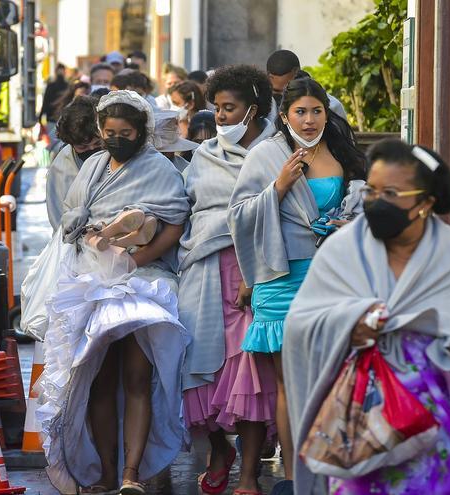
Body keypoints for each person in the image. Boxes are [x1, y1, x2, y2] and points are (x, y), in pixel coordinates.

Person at [283, 139, 450, 495]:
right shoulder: (341, 249)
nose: (375, 201)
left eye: (390, 193)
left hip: (440, 426)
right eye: (371, 190)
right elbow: (300, 323)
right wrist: (347, 324)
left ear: (425, 202)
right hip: (361, 421)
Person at [36, 90, 190, 495]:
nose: (116, 138)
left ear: (141, 133)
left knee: (138, 377)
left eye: (125, 132)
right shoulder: (93, 168)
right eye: (109, 131)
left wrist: (135, 262)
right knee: (99, 380)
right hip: (92, 277)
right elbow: (71, 214)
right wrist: (88, 234)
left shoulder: (160, 168)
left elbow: (174, 221)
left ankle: (131, 473)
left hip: (145, 279)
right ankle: (106, 470)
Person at [228, 77, 367, 482]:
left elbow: (362, 208)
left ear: (327, 111)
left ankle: (330, 470)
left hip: (331, 276)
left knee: (329, 376)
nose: (308, 120)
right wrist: (279, 186)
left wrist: (347, 223)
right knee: (290, 384)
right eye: (300, 112)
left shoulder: (343, 152)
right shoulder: (265, 155)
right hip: (281, 275)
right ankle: (294, 478)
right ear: (285, 115)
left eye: (316, 111)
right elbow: (238, 215)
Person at [179, 65, 279, 495]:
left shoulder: (278, 152)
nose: (219, 117)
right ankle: (220, 451)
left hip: (256, 271)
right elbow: (186, 207)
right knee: (201, 367)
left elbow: (279, 212)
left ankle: (252, 474)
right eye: (216, 108)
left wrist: (254, 273)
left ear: (252, 109)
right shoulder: (203, 155)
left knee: (250, 373)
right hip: (204, 271)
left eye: (229, 108)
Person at [46, 95, 102, 230]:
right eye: (83, 147)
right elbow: (59, 219)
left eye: (97, 144)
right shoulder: (61, 167)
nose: (92, 150)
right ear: (70, 144)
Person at [266, 50, 346, 120]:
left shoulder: (332, 107)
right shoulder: (264, 110)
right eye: (276, 91)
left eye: (287, 90)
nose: (283, 98)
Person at [39, 64, 70, 150]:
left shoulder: (51, 85)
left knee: (53, 143)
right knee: (62, 142)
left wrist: (41, 117)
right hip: (63, 119)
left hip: (52, 119)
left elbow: (45, 102)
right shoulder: (67, 86)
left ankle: (54, 159)